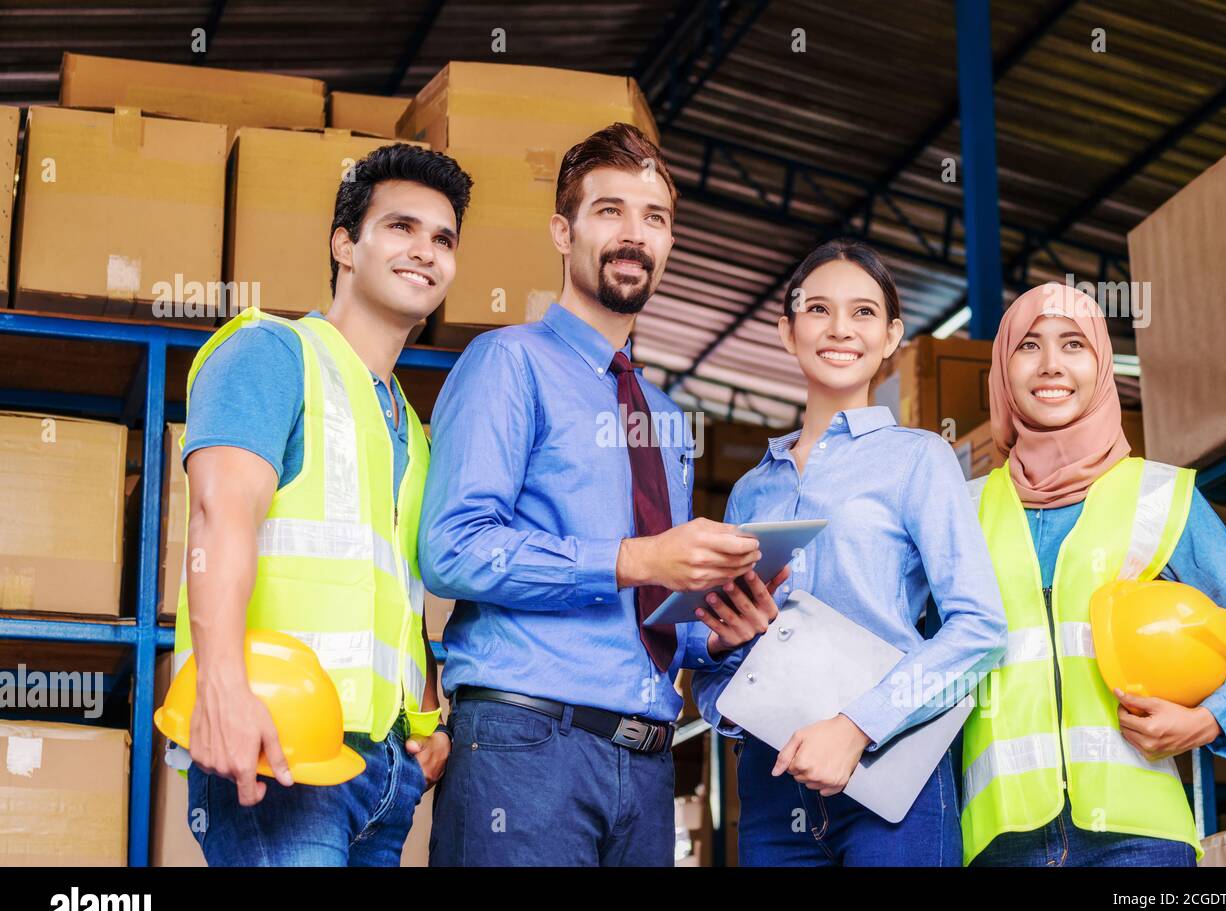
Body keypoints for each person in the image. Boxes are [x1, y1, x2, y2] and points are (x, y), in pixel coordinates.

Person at [419, 123, 787, 866]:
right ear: (563, 230)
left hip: (645, 764)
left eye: (654, 218)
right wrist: (634, 556)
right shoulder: (506, 363)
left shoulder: (667, 414)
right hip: (525, 751)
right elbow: (452, 550)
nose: (635, 234)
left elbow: (652, 599)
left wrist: (711, 631)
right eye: (610, 211)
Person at [175, 143, 473, 865]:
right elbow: (221, 516)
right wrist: (220, 685)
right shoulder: (271, 354)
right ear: (345, 243)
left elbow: (395, 598)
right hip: (281, 745)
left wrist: (429, 719)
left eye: (443, 239)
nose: (425, 251)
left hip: (385, 774)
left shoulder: (409, 423)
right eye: (401, 227)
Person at [691, 238, 1008, 866]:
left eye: (864, 313)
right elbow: (710, 665)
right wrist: (731, 671)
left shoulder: (919, 458)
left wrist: (857, 725)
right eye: (818, 310)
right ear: (787, 331)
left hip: (893, 770)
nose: (841, 329)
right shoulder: (752, 490)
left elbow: (981, 628)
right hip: (772, 780)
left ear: (891, 336)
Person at [963, 281, 1226, 867]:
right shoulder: (962, 509)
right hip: (998, 842)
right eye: (1027, 346)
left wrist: (1208, 720)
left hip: (1138, 840)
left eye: (1073, 345)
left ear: (1100, 365)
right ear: (1001, 369)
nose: (1050, 366)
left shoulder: (1158, 495)